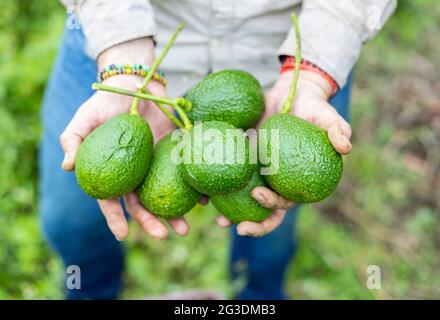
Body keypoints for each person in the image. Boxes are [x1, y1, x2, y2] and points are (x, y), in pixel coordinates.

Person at [40, 0, 396, 299]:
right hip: (119, 46)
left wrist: (312, 72)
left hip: (289, 63)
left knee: (268, 223)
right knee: (70, 220)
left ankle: (256, 297)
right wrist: (125, 60)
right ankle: (91, 292)